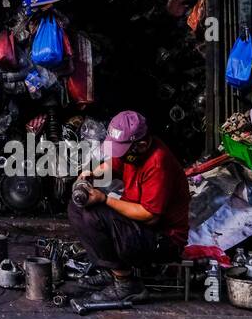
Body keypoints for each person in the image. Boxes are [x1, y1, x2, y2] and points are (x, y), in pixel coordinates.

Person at [68, 110, 190, 305]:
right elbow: (111, 167)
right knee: (78, 207)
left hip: (162, 239)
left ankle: (126, 283)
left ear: (141, 144)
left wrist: (104, 199)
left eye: (122, 150)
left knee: (96, 214)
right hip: (138, 227)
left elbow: (149, 215)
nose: (121, 155)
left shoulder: (158, 163)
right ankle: (113, 274)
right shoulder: (130, 153)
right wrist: (91, 175)